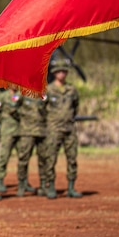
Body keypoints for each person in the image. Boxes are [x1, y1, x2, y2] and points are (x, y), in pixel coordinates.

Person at [45, 59, 82, 198]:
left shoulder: (72, 90)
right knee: (51, 158)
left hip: (69, 128)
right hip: (54, 128)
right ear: (54, 73)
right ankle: (51, 187)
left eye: (64, 71)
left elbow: (75, 107)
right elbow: (42, 109)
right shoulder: (48, 90)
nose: (62, 74)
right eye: (59, 71)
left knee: (72, 158)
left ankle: (71, 187)